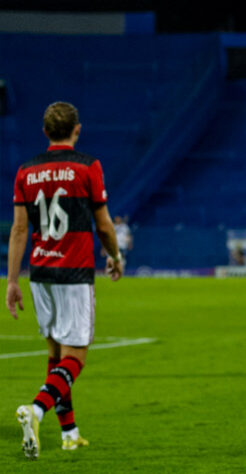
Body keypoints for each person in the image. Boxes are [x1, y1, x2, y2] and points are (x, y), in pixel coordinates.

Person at [6, 101, 124, 460]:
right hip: (74, 272)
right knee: (76, 356)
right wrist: (115, 257)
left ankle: (70, 432)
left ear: (45, 133)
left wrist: (12, 281)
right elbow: (103, 223)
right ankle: (37, 410)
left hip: (40, 273)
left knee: (55, 353)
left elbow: (20, 229)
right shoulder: (88, 166)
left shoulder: (26, 170)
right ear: (77, 129)